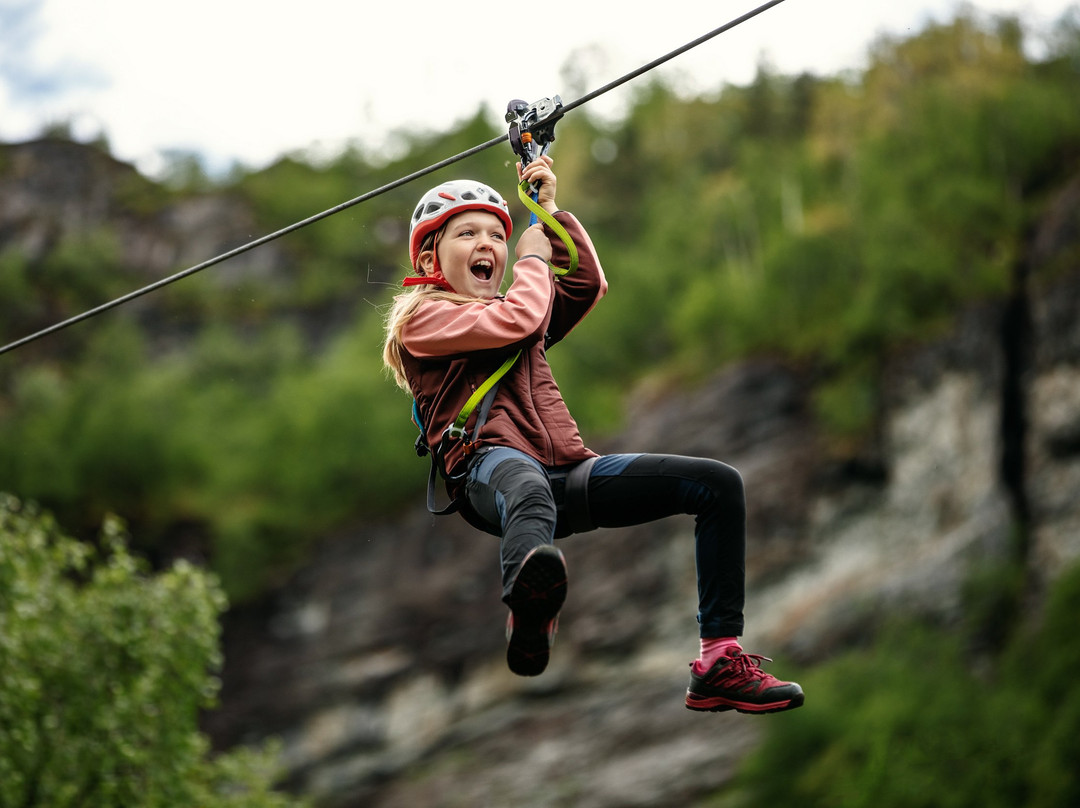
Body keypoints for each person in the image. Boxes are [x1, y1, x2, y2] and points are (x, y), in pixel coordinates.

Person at [382, 156, 803, 714]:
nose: (488, 243)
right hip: (489, 471)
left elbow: (584, 284)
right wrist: (533, 259)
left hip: (565, 469)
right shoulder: (423, 319)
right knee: (525, 484)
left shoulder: (513, 313)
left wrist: (549, 214)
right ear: (432, 257)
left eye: (496, 234)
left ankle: (718, 659)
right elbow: (522, 320)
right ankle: (528, 611)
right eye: (467, 233)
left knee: (716, 485)